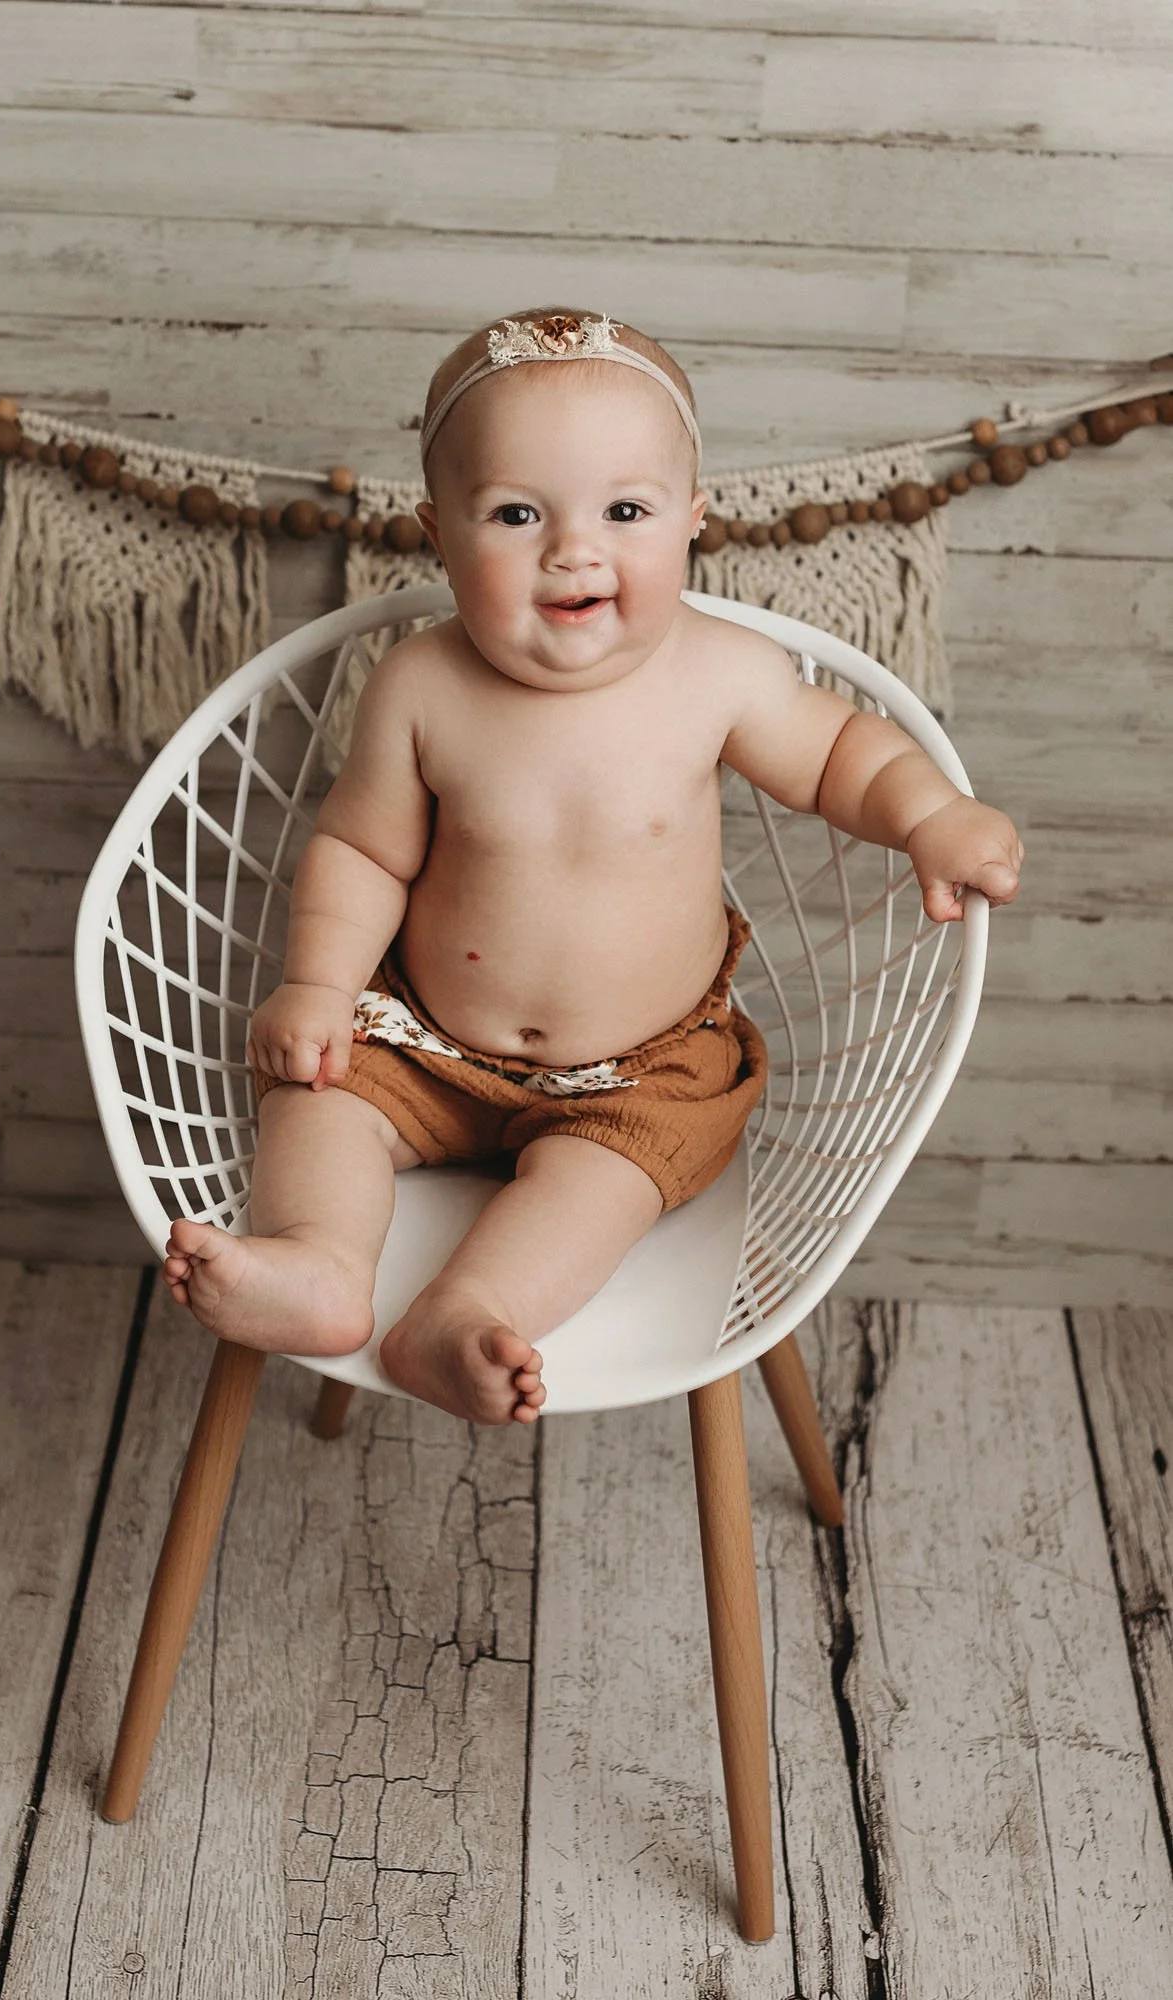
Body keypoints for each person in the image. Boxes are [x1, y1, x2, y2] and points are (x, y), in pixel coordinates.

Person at [162, 306, 1024, 1425]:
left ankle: (462, 1313)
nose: (574, 549)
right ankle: (321, 1262)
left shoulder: (719, 671)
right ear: (438, 532)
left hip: (643, 1072)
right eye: (517, 513)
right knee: (318, 1099)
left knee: (600, 1183)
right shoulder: (420, 683)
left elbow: (840, 754)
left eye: (625, 510)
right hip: (420, 1037)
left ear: (692, 523)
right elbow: (363, 847)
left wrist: (927, 811)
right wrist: (323, 989)